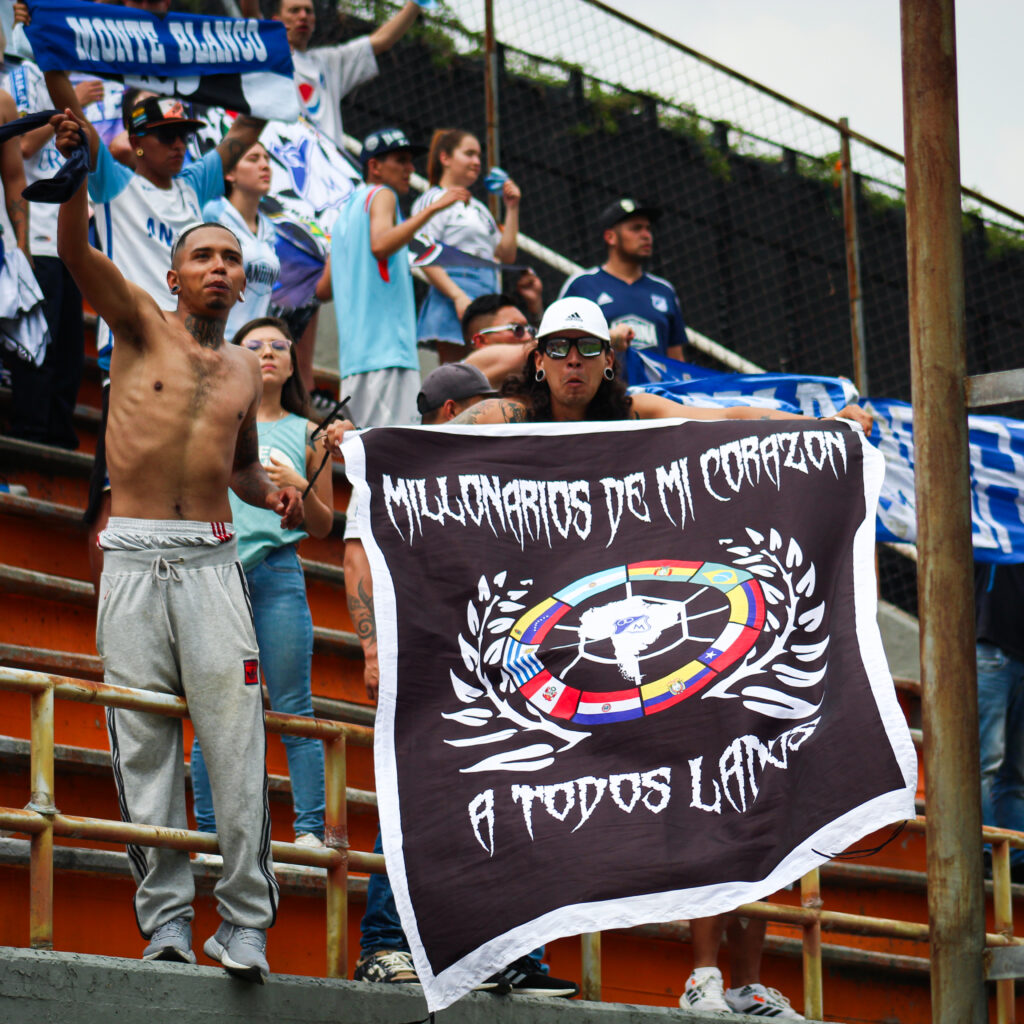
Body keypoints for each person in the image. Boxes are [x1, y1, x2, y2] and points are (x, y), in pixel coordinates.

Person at [53, 107, 303, 983]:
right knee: (144, 745)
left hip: (212, 560)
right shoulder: (138, 322)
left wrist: (273, 490)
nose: (219, 268)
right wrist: (76, 175)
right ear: (174, 273)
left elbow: (239, 470)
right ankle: (164, 923)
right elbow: (76, 254)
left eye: (231, 258)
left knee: (234, 743)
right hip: (132, 555)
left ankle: (244, 925)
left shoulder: (241, 367)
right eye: (204, 256)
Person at [340, 362, 578, 997]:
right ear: (454, 413)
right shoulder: (400, 467)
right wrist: (372, 648)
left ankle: (509, 955)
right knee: (418, 798)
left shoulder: (505, 470)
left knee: (520, 796)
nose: (498, 419)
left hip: (502, 660)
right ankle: (384, 945)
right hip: (426, 656)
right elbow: (356, 551)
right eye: (483, 408)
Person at [190, 316, 333, 856]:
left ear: (294, 363)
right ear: (237, 358)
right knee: (214, 706)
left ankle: (310, 830)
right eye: (255, 346)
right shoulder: (216, 419)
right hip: (218, 570)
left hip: (278, 571)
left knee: (294, 706)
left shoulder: (309, 432)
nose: (268, 353)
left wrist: (301, 488)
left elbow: (323, 526)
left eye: (279, 345)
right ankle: (209, 831)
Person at [328, 126, 469, 426]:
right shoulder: (383, 195)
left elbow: (323, 289)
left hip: (354, 361)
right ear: (374, 166)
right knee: (396, 447)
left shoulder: (342, 216)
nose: (410, 169)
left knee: (367, 448)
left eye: (410, 161)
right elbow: (381, 245)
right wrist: (433, 208)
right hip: (388, 353)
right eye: (400, 160)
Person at [3, 62, 96, 449]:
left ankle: (57, 433)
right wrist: (65, 108)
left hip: (70, 234)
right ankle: (33, 433)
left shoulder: (73, 81)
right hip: (38, 233)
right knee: (39, 343)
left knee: (69, 349)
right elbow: (24, 146)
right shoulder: (23, 75)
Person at [413, 128, 521, 363]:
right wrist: (458, 296)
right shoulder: (433, 199)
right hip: (455, 293)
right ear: (445, 158)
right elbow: (422, 253)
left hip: (488, 295)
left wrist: (512, 207)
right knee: (457, 372)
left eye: (479, 156)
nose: (477, 162)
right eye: (469, 154)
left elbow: (506, 254)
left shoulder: (480, 208)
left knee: (488, 372)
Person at [268, 0, 422, 151]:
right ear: (276, 20)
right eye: (294, 10)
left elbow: (381, 40)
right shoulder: (266, 60)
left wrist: (418, 3)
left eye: (308, 11)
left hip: (328, 161)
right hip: (285, 154)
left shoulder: (327, 62)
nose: (303, 16)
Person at [558, 197, 688, 361]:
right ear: (610, 237)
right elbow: (559, 344)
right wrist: (609, 339)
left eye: (648, 229)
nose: (646, 235)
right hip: (602, 378)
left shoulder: (664, 290)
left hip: (653, 379)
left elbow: (676, 361)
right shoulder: (581, 285)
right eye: (636, 228)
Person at [976, 563, 1024, 883]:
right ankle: (983, 851)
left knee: (1014, 774)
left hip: (1007, 654)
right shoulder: (992, 534)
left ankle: (1015, 860)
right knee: (985, 763)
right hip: (992, 649)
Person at [203, 143, 280, 343]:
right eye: (253, 159)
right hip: (219, 342)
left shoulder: (269, 228)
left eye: (266, 159)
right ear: (230, 173)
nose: (264, 166)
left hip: (254, 345)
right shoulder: (212, 213)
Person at [459, 292, 537, 390]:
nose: (528, 337)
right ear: (480, 341)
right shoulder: (464, 371)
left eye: (530, 330)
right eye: (517, 329)